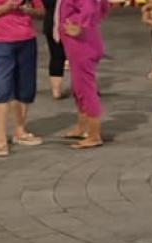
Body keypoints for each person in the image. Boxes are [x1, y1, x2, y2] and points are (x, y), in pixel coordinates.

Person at [0, 0, 44, 157]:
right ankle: (1, 139)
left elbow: (41, 12)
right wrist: (6, 7)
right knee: (1, 89)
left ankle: (20, 131)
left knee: (25, 88)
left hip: (27, 39)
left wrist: (28, 10)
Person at [56, 0, 108, 148]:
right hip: (83, 43)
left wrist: (80, 26)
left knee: (86, 90)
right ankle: (82, 127)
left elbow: (89, 8)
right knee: (79, 88)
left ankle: (94, 136)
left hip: (82, 46)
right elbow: (103, 6)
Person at [42, 0, 66, 98]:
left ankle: (56, 91)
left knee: (56, 56)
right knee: (79, 58)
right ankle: (85, 88)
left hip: (52, 22)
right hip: (67, 22)